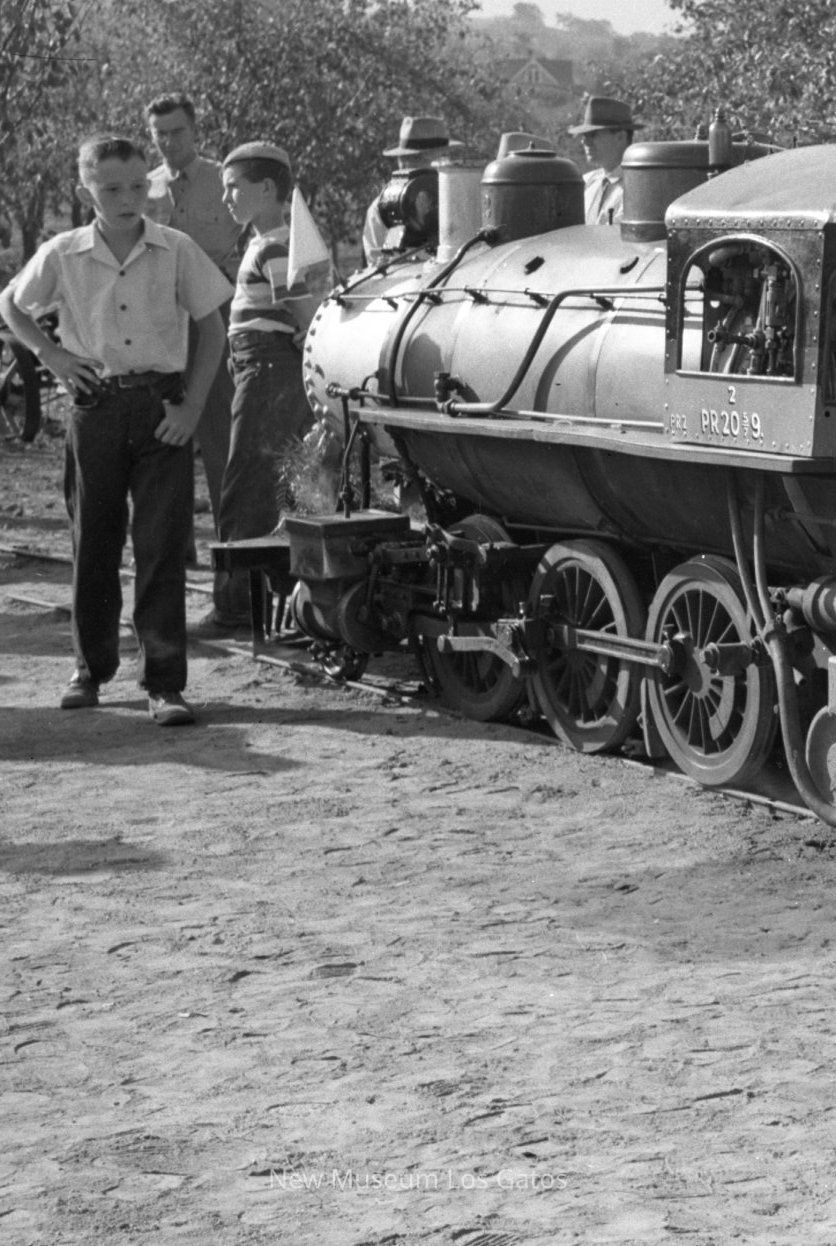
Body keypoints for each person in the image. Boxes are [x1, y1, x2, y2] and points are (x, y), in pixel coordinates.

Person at [0, 134, 232, 724]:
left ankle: (165, 683)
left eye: (137, 186)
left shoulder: (176, 249)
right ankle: (90, 670)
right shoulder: (63, 252)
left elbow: (213, 331)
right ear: (87, 193)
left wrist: (190, 409)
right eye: (111, 189)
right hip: (95, 408)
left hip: (162, 412)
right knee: (94, 542)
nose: (127, 199)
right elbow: (12, 304)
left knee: (161, 546)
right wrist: (52, 356)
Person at [144, 92, 242, 623]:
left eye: (177, 131)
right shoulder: (143, 188)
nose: (168, 141)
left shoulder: (224, 180)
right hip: (160, 332)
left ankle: (233, 595)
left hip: (213, 328)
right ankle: (170, 588)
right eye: (159, 133)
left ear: (195, 130)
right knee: (161, 457)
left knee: (223, 455)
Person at [215, 141, 318, 621]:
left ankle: (238, 605)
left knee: (248, 485)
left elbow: (304, 313)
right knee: (269, 485)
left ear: (268, 189)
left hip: (270, 372)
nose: (226, 198)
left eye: (234, 187)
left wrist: (303, 340)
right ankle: (269, 601)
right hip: (259, 368)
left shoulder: (276, 246)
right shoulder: (264, 244)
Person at [363, 115, 462, 266]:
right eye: (407, 159)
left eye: (420, 159)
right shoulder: (383, 208)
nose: (407, 165)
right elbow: (376, 266)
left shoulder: (462, 198)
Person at [568, 96, 642, 226]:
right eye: (584, 135)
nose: (584, 141)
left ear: (620, 137)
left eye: (593, 134)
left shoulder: (638, 189)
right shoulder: (586, 183)